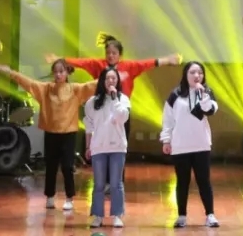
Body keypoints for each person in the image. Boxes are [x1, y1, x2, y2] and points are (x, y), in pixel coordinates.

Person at [49, 33, 180, 186]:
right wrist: (59, 60)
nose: (110, 56)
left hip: (121, 113)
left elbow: (148, 63)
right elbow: (81, 63)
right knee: (102, 147)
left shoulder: (129, 67)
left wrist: (168, 60)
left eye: (114, 53)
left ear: (120, 55)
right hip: (102, 113)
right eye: (108, 53)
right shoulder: (98, 65)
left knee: (120, 148)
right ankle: (104, 182)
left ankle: (117, 182)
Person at [0, 59, 95, 210]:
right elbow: (28, 83)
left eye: (61, 71)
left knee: (67, 167)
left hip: (68, 134)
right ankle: (50, 196)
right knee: (51, 166)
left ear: (67, 73)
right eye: (55, 72)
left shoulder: (75, 89)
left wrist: (111, 75)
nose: (58, 74)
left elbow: (91, 85)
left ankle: (69, 198)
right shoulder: (46, 89)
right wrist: (10, 72)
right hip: (51, 134)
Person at [160, 61, 220, 228]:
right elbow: (168, 119)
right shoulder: (175, 95)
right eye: (192, 72)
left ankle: (210, 215)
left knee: (204, 181)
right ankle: (181, 216)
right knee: (182, 181)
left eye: (200, 72)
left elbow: (211, 110)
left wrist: (203, 96)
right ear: (185, 75)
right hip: (180, 146)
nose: (196, 76)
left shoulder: (207, 92)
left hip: (201, 145)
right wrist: (166, 139)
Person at [84, 66, 131, 229]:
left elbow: (122, 117)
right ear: (102, 81)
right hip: (98, 147)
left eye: (114, 78)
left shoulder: (123, 99)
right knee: (99, 184)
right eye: (108, 78)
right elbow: (89, 126)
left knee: (116, 183)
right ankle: (98, 215)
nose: (111, 81)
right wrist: (88, 146)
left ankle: (117, 215)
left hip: (117, 147)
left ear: (117, 81)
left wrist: (115, 98)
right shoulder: (92, 102)